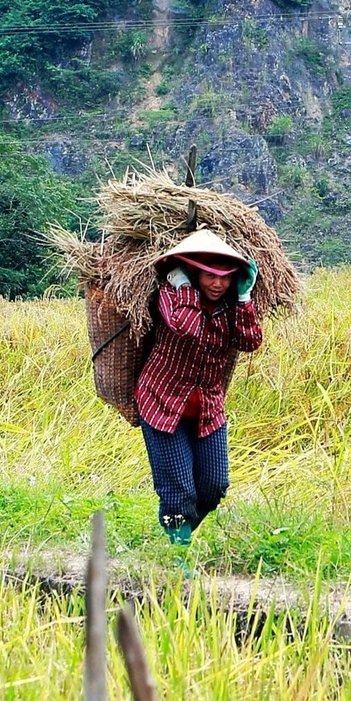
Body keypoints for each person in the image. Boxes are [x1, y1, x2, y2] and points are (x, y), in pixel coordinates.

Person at [133, 229, 263, 546]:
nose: (218, 284)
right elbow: (186, 329)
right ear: (192, 271)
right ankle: (177, 556)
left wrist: (244, 297)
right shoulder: (170, 294)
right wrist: (187, 288)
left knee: (214, 486)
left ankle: (176, 537)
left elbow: (250, 341)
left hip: (208, 408)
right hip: (162, 404)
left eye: (226, 277)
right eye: (209, 276)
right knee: (178, 489)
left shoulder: (231, 305)